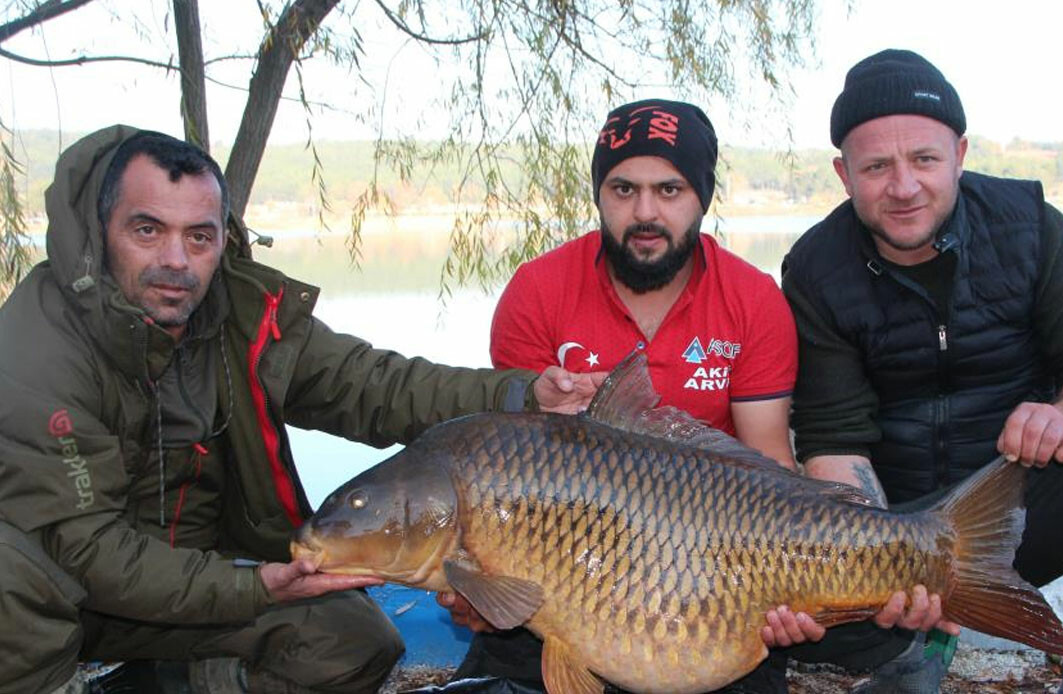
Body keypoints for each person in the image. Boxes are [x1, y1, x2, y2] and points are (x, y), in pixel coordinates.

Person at [0, 126, 604, 694]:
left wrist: (524, 396)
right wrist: (252, 585)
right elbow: (86, 550)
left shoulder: (239, 315)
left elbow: (376, 386)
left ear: (223, 239)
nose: (177, 261)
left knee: (352, 642)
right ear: (104, 229)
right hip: (71, 596)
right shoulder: (38, 350)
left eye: (199, 236)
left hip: (196, 584)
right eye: (147, 230)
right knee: (13, 578)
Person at [778, 49, 1063, 694]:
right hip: (894, 515)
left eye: (924, 159)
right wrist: (879, 558)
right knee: (784, 597)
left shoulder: (1030, 228)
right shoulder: (814, 267)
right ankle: (905, 653)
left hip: (1016, 504)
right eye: (877, 167)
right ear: (843, 173)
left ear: (960, 154)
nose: (904, 186)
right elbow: (834, 439)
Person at [439, 99, 803, 692]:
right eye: (623, 188)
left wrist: (788, 585)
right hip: (563, 578)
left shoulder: (753, 300)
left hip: (719, 575)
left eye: (669, 189)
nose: (645, 212)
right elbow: (503, 476)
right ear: (599, 194)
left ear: (701, 197)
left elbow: (772, 463)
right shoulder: (537, 292)